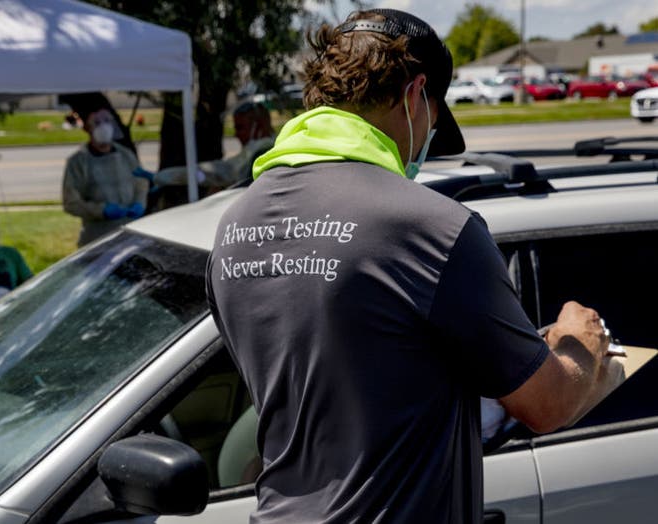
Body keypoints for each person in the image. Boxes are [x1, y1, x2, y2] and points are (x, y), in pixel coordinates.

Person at [205, 9, 622, 523]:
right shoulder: (431, 226)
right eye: (432, 118)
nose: (422, 144)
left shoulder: (235, 222)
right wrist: (579, 343)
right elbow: (548, 406)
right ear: (414, 95)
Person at [62, 108, 148, 247]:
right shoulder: (78, 162)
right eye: (97, 122)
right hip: (97, 240)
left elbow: (141, 183)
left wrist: (139, 203)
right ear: (87, 128)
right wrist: (101, 211)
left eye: (107, 121)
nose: (104, 126)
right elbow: (71, 202)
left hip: (130, 237)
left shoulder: (126, 155)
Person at [149, 102, 276, 193]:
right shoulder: (268, 146)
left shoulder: (262, 150)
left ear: (257, 126)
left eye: (240, 128)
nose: (236, 134)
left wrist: (166, 176)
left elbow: (222, 172)